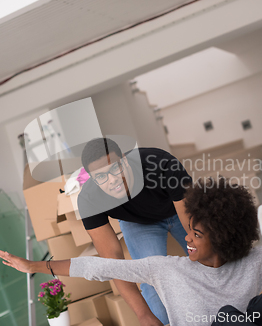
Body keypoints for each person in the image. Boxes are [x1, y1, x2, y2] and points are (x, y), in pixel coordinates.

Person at [0, 177, 262, 326]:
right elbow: (97, 265)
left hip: (256, 322)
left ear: (223, 238)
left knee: (253, 312)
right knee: (230, 319)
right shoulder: (165, 269)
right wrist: (35, 265)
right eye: (190, 230)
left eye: (197, 234)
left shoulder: (253, 259)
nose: (186, 237)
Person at [75, 137, 193, 325]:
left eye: (115, 168)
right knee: (151, 281)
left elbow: (194, 230)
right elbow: (113, 263)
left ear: (124, 159)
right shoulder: (89, 200)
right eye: (101, 176)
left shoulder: (159, 162)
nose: (113, 180)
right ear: (93, 180)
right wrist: (143, 315)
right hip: (139, 222)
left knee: (208, 261)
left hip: (179, 210)